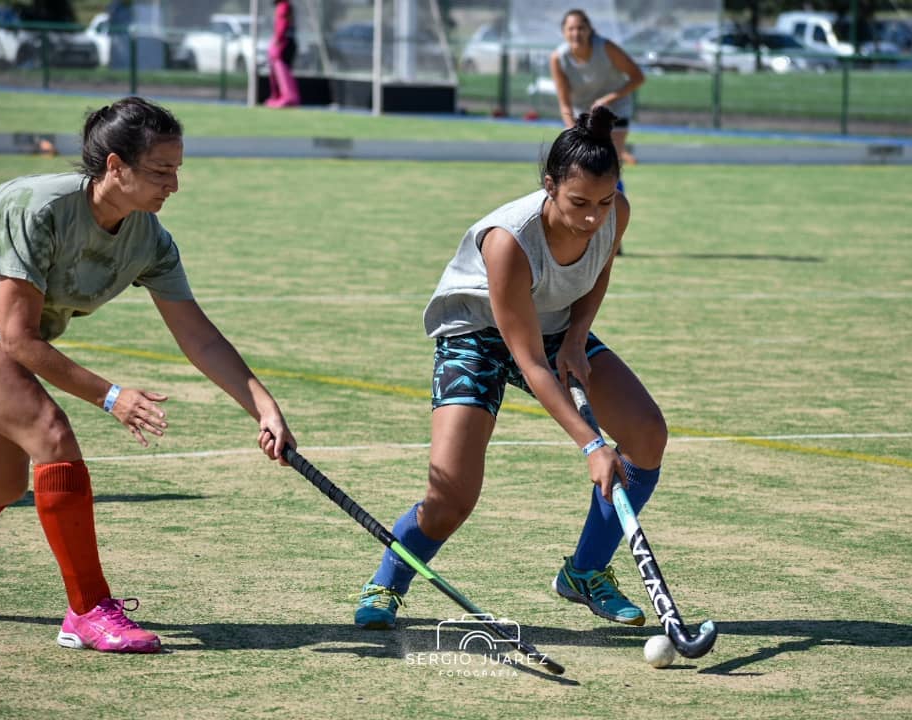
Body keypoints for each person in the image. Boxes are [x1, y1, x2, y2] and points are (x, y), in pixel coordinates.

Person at [0, 96, 297, 654]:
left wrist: (264, 408)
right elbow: (18, 340)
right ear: (114, 166)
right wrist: (112, 397)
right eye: (159, 171)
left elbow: (198, 336)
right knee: (50, 434)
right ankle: (87, 609)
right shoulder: (41, 209)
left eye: (177, 170)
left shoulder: (149, 238)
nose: (172, 184)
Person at [353, 106, 667, 631]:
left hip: (554, 327)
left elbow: (599, 272)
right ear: (549, 186)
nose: (593, 217)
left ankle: (585, 573)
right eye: (579, 203)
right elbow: (527, 359)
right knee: (453, 494)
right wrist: (591, 444)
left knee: (646, 434)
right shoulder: (509, 240)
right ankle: (388, 581)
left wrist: (573, 337)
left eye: (605, 201)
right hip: (476, 335)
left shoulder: (616, 213)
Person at [550, 9, 644, 175]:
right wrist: (572, 130)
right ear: (563, 32)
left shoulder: (606, 48)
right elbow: (564, 102)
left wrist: (608, 98)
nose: (576, 33)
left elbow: (638, 77)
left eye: (580, 28)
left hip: (615, 110)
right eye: (571, 29)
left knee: (610, 165)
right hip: (583, 114)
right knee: (581, 167)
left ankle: (615, 194)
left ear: (589, 30)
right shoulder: (558, 58)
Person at [266, 0, 301, 108]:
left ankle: (288, 98)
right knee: (282, 71)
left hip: (284, 43)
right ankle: (285, 97)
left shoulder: (283, 6)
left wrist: (277, 41)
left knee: (282, 71)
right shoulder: (285, 6)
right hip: (288, 42)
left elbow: (282, 25)